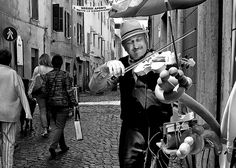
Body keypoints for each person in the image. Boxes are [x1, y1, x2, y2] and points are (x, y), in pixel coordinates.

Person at [89, 19, 173, 168]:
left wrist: (169, 69)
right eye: (130, 42)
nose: (135, 46)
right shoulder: (121, 66)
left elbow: (177, 86)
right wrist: (106, 68)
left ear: (146, 39)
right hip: (131, 129)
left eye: (138, 39)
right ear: (124, 46)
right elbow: (94, 88)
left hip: (160, 128)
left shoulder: (161, 59)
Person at [0, 49, 32, 168]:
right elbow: (21, 93)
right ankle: (7, 166)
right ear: (10, 61)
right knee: (8, 142)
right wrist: (28, 113)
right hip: (9, 114)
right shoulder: (13, 74)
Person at [41, 54, 77, 160]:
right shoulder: (66, 75)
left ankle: (63, 146)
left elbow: (43, 90)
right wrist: (74, 102)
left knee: (58, 125)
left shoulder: (47, 75)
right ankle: (53, 146)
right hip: (63, 104)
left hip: (52, 104)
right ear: (61, 64)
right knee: (60, 126)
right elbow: (69, 91)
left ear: (52, 63)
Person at [31, 53, 53, 137]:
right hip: (50, 92)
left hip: (40, 92)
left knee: (42, 110)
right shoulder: (52, 69)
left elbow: (33, 80)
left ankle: (45, 129)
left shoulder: (37, 69)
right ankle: (49, 126)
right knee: (48, 110)